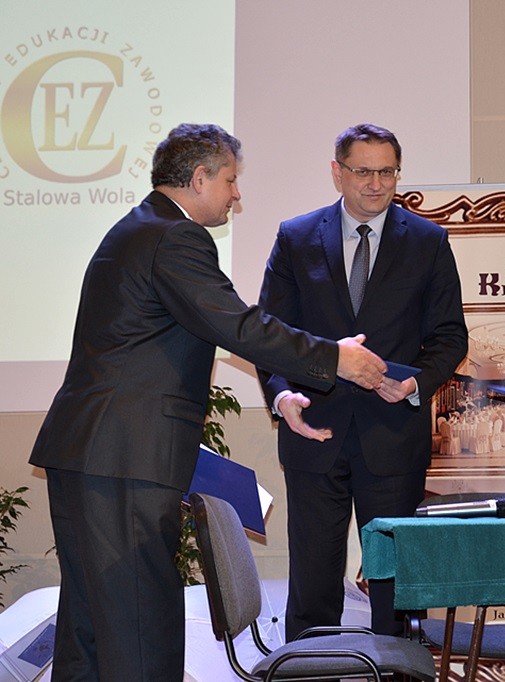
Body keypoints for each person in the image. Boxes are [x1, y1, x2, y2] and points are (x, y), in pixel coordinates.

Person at [28, 123, 388, 682]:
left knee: (91, 631)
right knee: (140, 629)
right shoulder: (175, 236)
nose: (236, 195)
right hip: (125, 459)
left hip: (93, 453)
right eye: (229, 181)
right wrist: (334, 358)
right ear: (199, 179)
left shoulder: (138, 227)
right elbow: (238, 325)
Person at [257, 123, 467, 639]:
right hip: (313, 432)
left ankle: (396, 673)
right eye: (363, 172)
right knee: (312, 584)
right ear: (337, 173)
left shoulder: (428, 241)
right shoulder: (296, 237)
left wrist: (414, 385)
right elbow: (269, 334)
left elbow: (449, 338)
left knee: (396, 590)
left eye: (387, 172)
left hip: (393, 436)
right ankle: (311, 670)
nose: (376, 184)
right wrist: (281, 395)